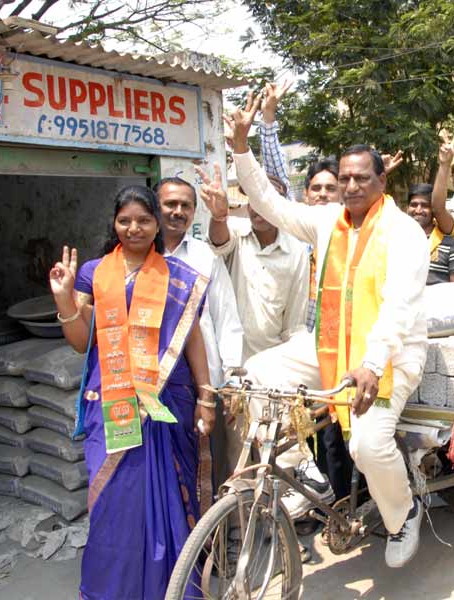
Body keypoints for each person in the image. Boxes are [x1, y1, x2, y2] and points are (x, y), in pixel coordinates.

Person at [226, 92, 429, 568]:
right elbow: (270, 203)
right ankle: (305, 471)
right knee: (257, 371)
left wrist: (373, 364)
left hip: (390, 359)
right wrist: (241, 149)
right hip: (330, 349)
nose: (352, 185)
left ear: (382, 179)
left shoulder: (405, 232)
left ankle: (403, 514)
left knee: (367, 445)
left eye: (362, 177)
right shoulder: (326, 221)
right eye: (346, 178)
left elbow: (398, 308)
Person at [49, 186, 215, 600]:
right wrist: (64, 298)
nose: (134, 228)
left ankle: (170, 588)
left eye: (143, 219)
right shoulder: (94, 273)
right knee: (113, 506)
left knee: (168, 503)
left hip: (166, 402)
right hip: (111, 401)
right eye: (125, 220)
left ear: (157, 223)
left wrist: (206, 394)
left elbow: (191, 337)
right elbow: (79, 340)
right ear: (114, 222)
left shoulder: (177, 277)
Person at [156, 176, 244, 487]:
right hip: (153, 382)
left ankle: (209, 532)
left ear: (194, 212)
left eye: (186, 206)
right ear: (156, 206)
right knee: (161, 464)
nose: (177, 211)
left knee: (208, 461)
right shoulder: (140, 257)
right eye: (170, 204)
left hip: (204, 381)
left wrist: (231, 376)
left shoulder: (204, 257)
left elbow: (226, 318)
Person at [198, 163, 309, 362]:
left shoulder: (296, 251)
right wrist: (218, 216)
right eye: (253, 199)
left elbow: (294, 323)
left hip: (270, 365)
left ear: (279, 206)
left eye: (264, 200)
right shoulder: (236, 230)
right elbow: (219, 243)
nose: (258, 207)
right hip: (227, 360)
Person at [405, 182, 454, 285]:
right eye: (414, 205)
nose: (418, 210)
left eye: (424, 205)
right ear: (407, 208)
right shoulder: (396, 240)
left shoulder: (451, 245)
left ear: (433, 210)